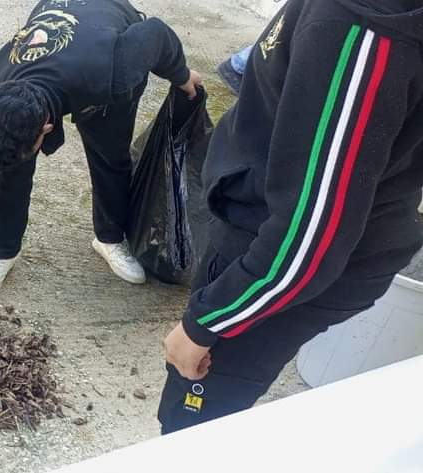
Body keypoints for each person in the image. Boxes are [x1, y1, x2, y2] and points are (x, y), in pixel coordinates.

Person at [160, 0, 423, 433]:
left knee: (194, 423)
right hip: (287, 232)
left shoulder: (360, 30)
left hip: (277, 255)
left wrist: (207, 322)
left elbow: (311, 238)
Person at [0, 0, 201, 294]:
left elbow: (156, 34)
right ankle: (4, 250)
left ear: (46, 130)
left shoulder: (113, 70)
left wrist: (182, 76)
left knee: (110, 154)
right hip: (61, 14)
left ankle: (110, 237)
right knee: (9, 169)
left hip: (104, 22)